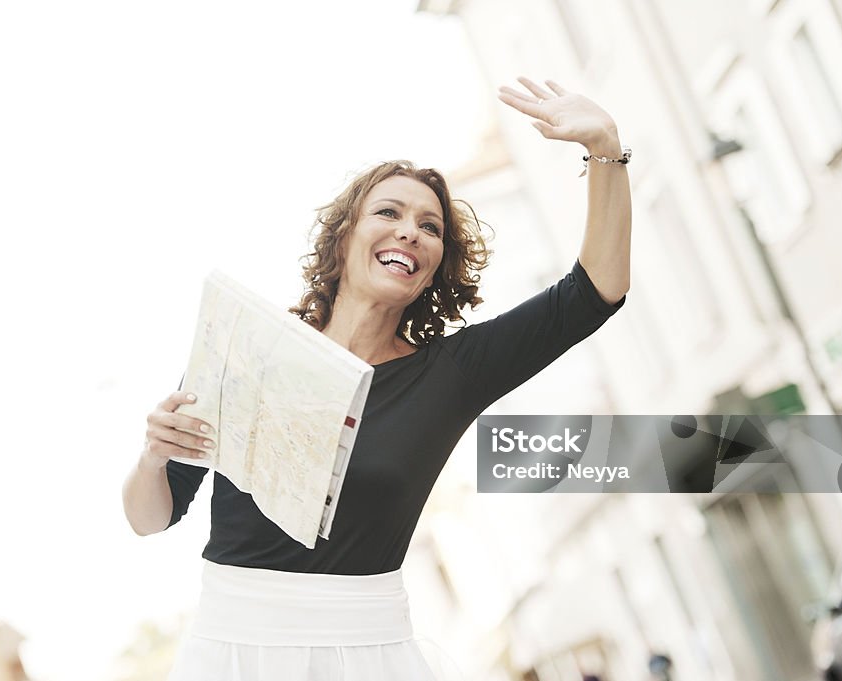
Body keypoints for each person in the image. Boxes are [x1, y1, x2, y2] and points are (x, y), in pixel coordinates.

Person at [122, 76, 631, 681]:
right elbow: (149, 517)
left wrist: (605, 148)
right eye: (388, 212)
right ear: (343, 238)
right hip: (232, 646)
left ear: (436, 265)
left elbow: (594, 291)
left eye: (430, 226)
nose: (409, 231)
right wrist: (153, 458)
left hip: (368, 651)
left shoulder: (451, 373)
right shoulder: (245, 352)